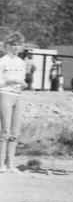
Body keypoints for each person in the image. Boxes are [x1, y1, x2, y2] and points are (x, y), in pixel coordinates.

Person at [0, 33, 28, 172]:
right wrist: (12, 81)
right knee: (5, 131)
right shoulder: (2, 61)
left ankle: (11, 163)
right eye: (13, 44)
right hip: (5, 94)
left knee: (15, 132)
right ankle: (1, 164)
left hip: (18, 95)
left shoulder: (22, 63)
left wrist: (23, 84)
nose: (16, 47)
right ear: (7, 46)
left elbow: (21, 80)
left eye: (18, 44)